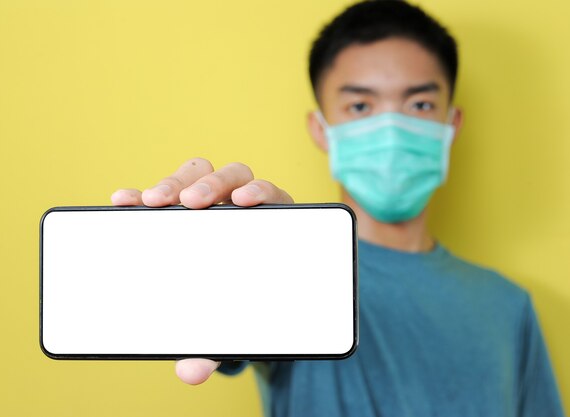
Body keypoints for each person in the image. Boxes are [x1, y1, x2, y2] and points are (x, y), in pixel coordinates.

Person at [111, 0, 565, 416]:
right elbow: (243, 316)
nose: (391, 126)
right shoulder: (292, 271)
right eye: (360, 105)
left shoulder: (509, 307)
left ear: (452, 123)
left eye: (420, 103)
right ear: (321, 129)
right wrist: (230, 265)